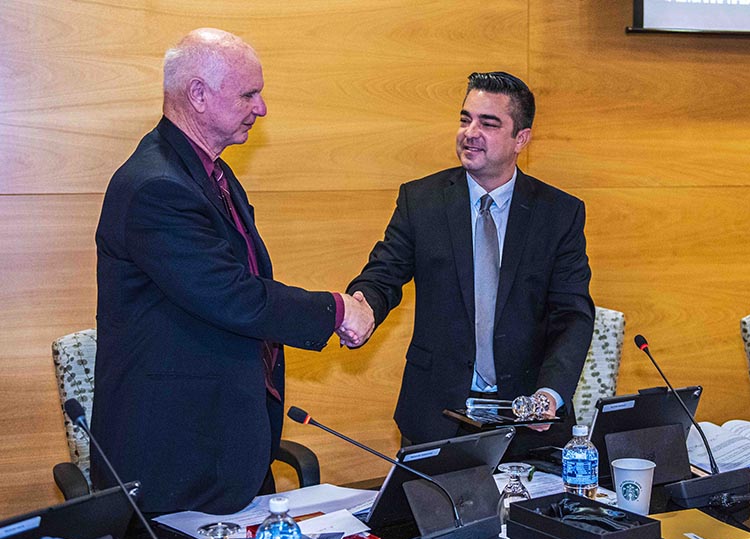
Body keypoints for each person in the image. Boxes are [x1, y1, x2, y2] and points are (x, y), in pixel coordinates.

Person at [92, 28, 373, 514]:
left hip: (226, 438)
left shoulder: (210, 172)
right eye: (249, 94)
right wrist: (335, 309)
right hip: (176, 452)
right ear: (197, 94)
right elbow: (232, 295)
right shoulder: (155, 188)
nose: (261, 107)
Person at [346, 72, 595, 452]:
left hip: (527, 418)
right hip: (436, 414)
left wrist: (551, 394)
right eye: (465, 119)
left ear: (521, 139)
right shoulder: (422, 200)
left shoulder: (558, 213)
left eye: (488, 123)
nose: (470, 132)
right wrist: (361, 307)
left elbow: (573, 314)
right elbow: (384, 274)